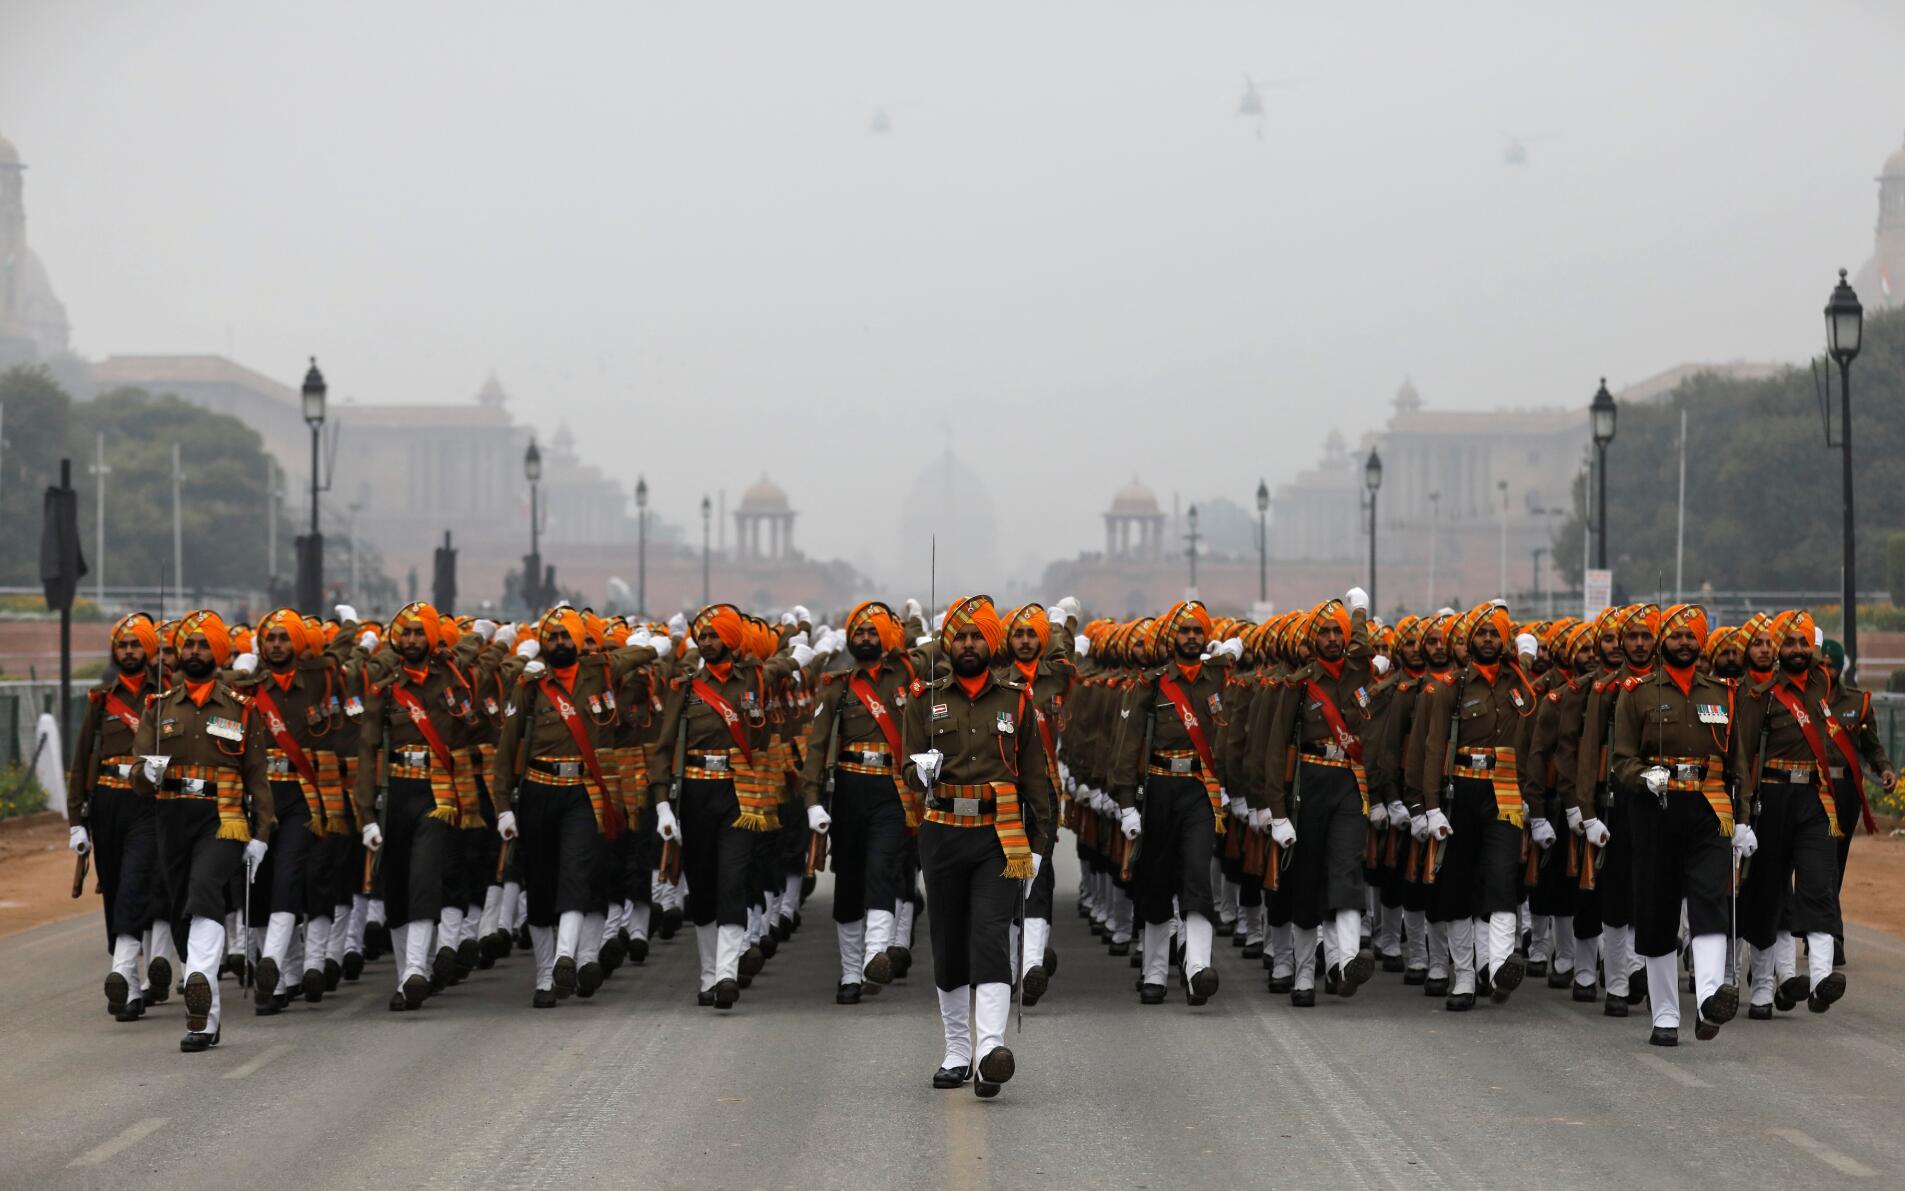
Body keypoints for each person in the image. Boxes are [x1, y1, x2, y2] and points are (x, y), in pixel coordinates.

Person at [902, 596, 1055, 1097]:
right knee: (948, 938)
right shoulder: (923, 699)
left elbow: (1036, 777)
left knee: (990, 934)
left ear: (990, 642)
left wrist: (1039, 845)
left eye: (976, 637)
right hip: (943, 831)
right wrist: (917, 769)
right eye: (959, 637)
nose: (967, 644)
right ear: (949, 643)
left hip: (998, 836)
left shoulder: (1016, 700)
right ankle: (957, 1050)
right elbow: (904, 767)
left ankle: (991, 1049)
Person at [130, 609, 276, 1053]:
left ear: (218, 651)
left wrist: (261, 834)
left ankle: (200, 992)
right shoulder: (158, 707)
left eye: (202, 644)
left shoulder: (241, 707)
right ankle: (203, 1001)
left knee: (204, 892)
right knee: (180, 910)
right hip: (172, 820)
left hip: (224, 819)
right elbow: (136, 772)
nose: (194, 651)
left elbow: (257, 776)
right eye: (188, 644)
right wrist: (145, 773)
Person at [355, 601, 511, 1012]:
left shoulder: (456, 678)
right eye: (404, 633)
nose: (410, 640)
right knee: (396, 884)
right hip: (396, 792)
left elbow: (481, 717)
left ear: (431, 637)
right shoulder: (385, 688)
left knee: (425, 875)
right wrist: (367, 815)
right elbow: (368, 750)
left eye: (418, 633)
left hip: (438, 794)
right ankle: (408, 974)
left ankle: (414, 973)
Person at [646, 604, 803, 1009]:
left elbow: (782, 664)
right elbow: (663, 751)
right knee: (702, 885)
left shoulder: (753, 679)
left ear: (731, 640)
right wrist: (663, 805)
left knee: (732, 879)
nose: (707, 642)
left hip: (740, 796)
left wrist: (799, 642)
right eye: (703, 635)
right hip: (696, 795)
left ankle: (727, 974)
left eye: (715, 635)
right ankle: (708, 974)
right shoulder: (684, 688)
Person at [1608, 604, 1742, 1045]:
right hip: (1656, 809)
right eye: (1676, 635)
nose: (1684, 642)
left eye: (1692, 635)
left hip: (1710, 809)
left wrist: (1745, 820)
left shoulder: (1723, 694)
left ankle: (1707, 1001)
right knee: (1657, 912)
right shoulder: (1637, 692)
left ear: (1702, 641)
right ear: (1663, 641)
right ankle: (1665, 1014)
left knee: (1709, 901)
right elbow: (1621, 759)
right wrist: (1644, 775)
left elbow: (1737, 762)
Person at [1255, 591, 1379, 1006]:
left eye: (1336, 631)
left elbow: (1365, 645)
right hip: (1307, 786)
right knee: (1305, 883)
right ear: (1312, 638)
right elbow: (1273, 749)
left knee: (1346, 870)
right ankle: (1304, 973)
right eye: (1323, 631)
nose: (1331, 638)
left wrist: (1358, 610)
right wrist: (1277, 811)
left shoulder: (1358, 671)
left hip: (1347, 783)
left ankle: (1344, 963)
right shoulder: (1298, 684)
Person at [1111, 601, 1237, 1006]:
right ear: (1172, 637)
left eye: (1198, 630)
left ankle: (1198, 968)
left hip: (1199, 791)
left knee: (1197, 877)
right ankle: (1154, 974)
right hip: (1160, 789)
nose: (1191, 637)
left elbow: (1231, 737)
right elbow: (1127, 746)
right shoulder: (1150, 684)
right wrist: (1127, 803)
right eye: (1184, 630)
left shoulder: (1217, 678)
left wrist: (1230, 786)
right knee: (1156, 882)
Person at [1733, 611, 1854, 1017]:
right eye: (1790, 643)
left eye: (1804, 643)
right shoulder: (1760, 696)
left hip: (1814, 801)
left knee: (1819, 885)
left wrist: (1805, 627)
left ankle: (1820, 979)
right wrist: (1743, 817)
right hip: (1771, 797)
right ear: (1777, 649)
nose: (1798, 650)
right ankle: (1764, 986)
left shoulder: (1819, 681)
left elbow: (1819, 651)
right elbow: (1742, 757)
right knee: (1767, 894)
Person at [800, 601, 918, 1003]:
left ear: (886, 637)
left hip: (892, 790)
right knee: (848, 881)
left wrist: (910, 624)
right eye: (858, 632)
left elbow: (939, 648)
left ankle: (874, 958)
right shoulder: (837, 685)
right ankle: (850, 972)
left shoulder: (907, 671)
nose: (864, 638)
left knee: (883, 869)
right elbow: (817, 747)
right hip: (849, 790)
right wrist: (813, 800)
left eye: (872, 631)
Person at [67, 612, 171, 1021]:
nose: (128, 651)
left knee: (134, 882)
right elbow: (80, 763)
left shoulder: (167, 694)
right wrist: (77, 820)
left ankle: (124, 979)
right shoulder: (99, 700)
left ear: (147, 649)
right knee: (113, 888)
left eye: (135, 644)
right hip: (108, 804)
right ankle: (130, 973)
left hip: (149, 802)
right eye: (122, 645)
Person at [1817, 638, 1895, 969]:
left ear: (1839, 667)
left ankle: (1827, 934)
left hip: (1845, 790)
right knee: (1814, 861)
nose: (1825, 671)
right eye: (1820, 666)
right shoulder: (1803, 700)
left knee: (1834, 862)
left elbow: (1871, 746)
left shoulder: (1856, 703)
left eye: (1830, 666)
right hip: (1812, 787)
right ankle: (1827, 933)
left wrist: (1885, 769)